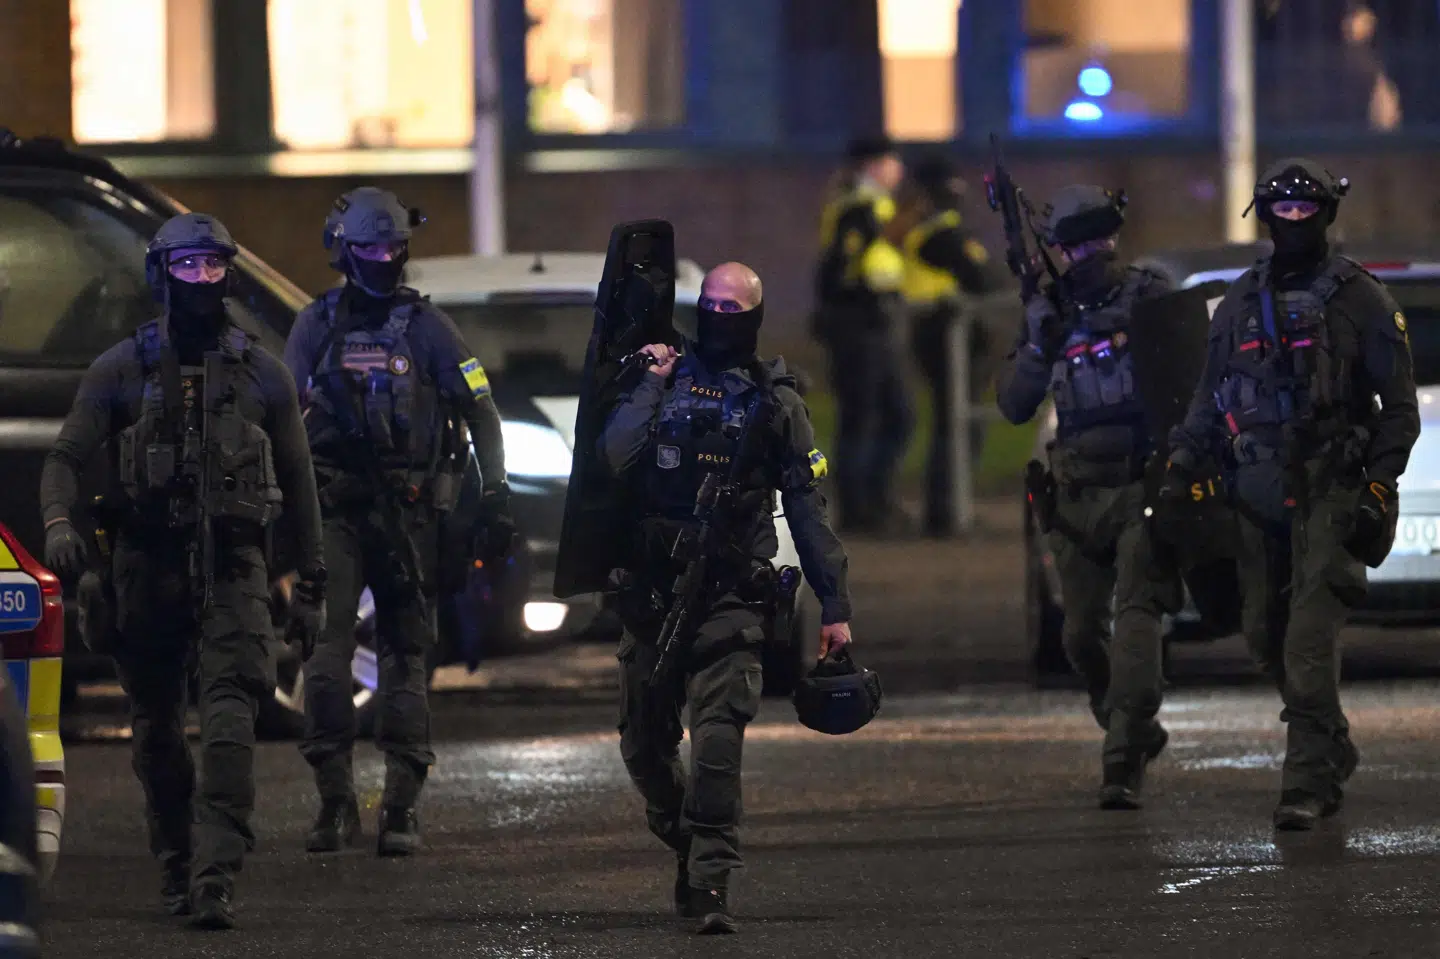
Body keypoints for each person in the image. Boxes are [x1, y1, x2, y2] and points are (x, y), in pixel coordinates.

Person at [39, 213, 325, 929]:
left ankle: (214, 874)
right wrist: (59, 524)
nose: (202, 278)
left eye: (213, 265)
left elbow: (300, 483)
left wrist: (312, 583)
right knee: (158, 735)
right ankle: (177, 861)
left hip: (233, 567)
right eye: (188, 265)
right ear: (162, 274)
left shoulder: (263, 372)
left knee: (230, 724)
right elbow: (65, 458)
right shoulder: (121, 368)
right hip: (145, 568)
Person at [1165, 158, 1419, 830]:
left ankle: (1307, 783)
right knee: (1263, 635)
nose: (1296, 220)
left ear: (1327, 214)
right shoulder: (1240, 301)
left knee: (1308, 644)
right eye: (1284, 210)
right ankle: (1330, 741)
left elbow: (1399, 411)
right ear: (1266, 215)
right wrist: (1182, 463)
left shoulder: (1361, 298)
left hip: (1333, 489)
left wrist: (1377, 484)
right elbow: (1209, 395)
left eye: (1308, 210)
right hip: (1256, 493)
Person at [601, 262, 853, 934]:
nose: (717, 318)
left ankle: (710, 878)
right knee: (643, 746)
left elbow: (808, 510)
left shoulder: (776, 404)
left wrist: (835, 606)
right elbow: (616, 455)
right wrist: (650, 384)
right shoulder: (665, 377)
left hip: (731, 595)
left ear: (754, 317)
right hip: (654, 593)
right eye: (708, 305)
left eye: (730, 308)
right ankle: (684, 835)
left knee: (717, 741)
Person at [283, 187, 512, 857]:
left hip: (409, 514)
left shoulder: (428, 327)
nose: (385, 260)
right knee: (326, 658)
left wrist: (494, 493)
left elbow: (480, 409)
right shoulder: (315, 326)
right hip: (335, 512)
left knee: (406, 658)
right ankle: (335, 800)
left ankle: (402, 806)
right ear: (345, 251)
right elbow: (281, 415)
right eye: (372, 249)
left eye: (394, 249)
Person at [994, 185, 1180, 810]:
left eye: (1094, 243)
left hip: (1140, 480)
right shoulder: (1048, 311)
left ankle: (1122, 757)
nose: (1085, 257)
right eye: (1073, 247)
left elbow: (1188, 376)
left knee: (1138, 620)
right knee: (1079, 634)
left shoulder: (1149, 296)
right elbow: (1014, 405)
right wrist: (1039, 344)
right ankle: (1126, 721)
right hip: (1076, 493)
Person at [812, 136, 913, 534]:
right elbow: (839, 268)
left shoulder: (874, 206)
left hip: (874, 319)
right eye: (892, 161)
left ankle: (875, 502)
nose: (898, 169)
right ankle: (860, 509)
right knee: (866, 415)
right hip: (859, 321)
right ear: (872, 165)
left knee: (891, 414)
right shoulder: (859, 208)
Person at [898, 154, 1004, 537]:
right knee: (956, 425)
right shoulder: (940, 236)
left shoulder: (935, 233)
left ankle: (948, 508)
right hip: (945, 336)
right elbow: (984, 277)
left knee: (953, 423)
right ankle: (947, 510)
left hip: (943, 335)